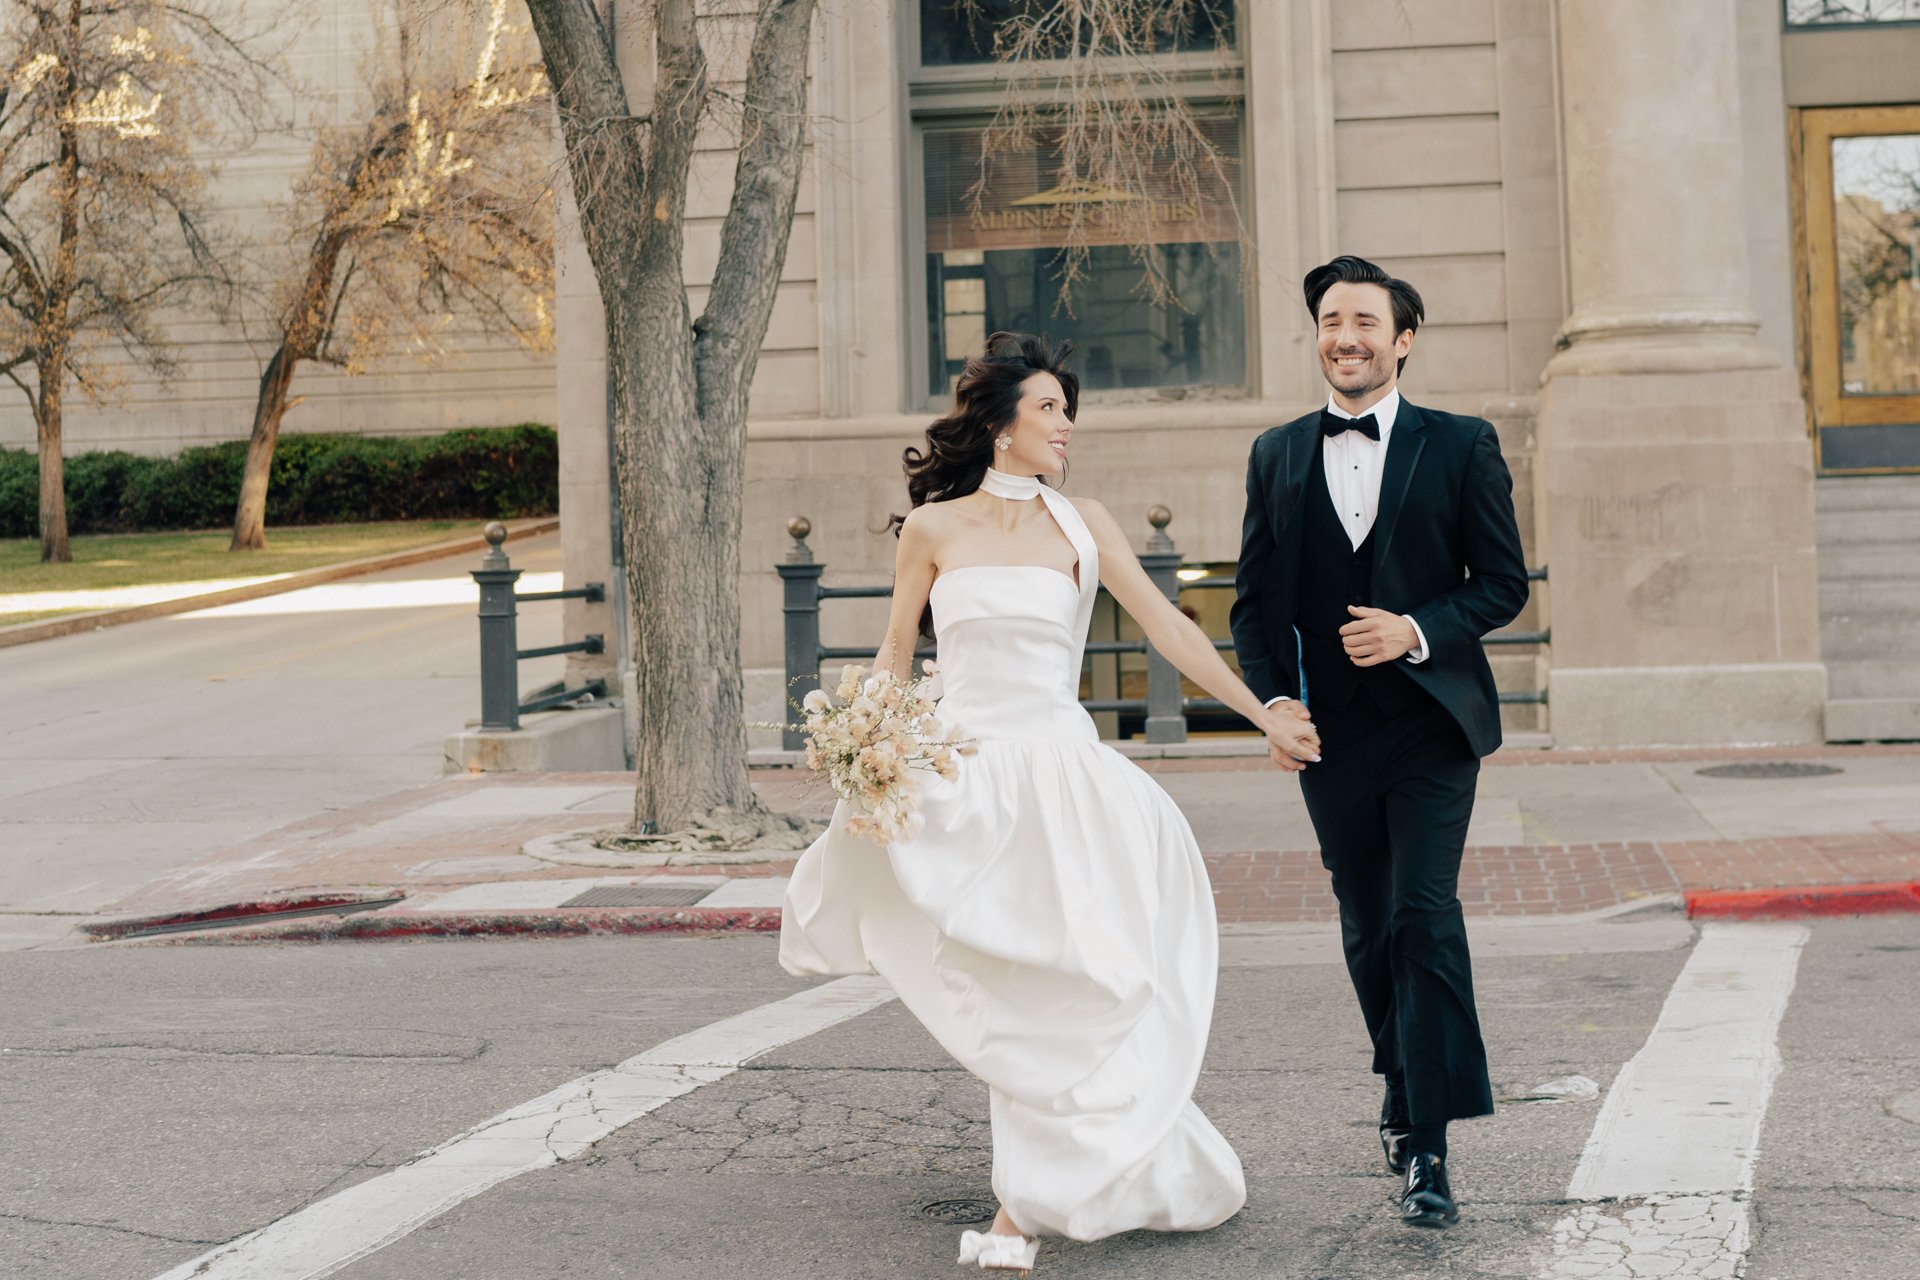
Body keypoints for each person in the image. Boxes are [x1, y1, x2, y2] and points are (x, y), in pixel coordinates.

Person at [781, 332, 1320, 1273]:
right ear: (1001, 426)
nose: (1066, 425)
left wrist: (1260, 712)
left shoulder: (1084, 523)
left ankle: (1049, 1193)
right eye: (1049, 409)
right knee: (1009, 984)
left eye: (1069, 411)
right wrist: (866, 744)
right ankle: (1023, 1201)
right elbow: (897, 651)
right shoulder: (932, 530)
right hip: (966, 783)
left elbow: (1167, 629)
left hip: (1064, 781)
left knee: (1078, 980)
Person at [1229, 255, 1530, 1228]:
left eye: (1365, 320)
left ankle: (1427, 1142)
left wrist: (1416, 628)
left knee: (1421, 915)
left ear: (1402, 339)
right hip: (1333, 733)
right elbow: (1252, 606)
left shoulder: (1462, 443)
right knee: (1367, 923)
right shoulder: (1276, 453)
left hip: (1432, 722)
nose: (1345, 336)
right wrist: (1276, 704)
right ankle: (1403, 1083)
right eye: (1331, 320)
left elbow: (1503, 584)